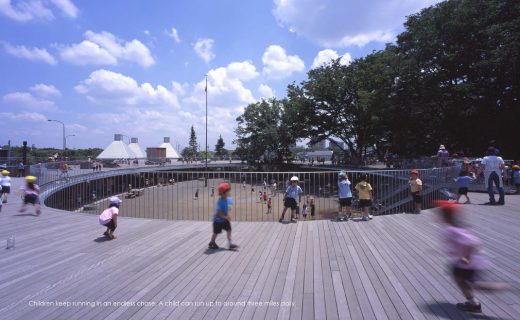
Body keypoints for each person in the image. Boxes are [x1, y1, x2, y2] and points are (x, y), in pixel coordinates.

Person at [434, 201, 509, 313]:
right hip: (468, 262)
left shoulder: (451, 230)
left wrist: (466, 257)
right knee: (464, 281)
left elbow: (473, 243)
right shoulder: (455, 226)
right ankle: (474, 303)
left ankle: (476, 303)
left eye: (440, 214)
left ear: (445, 216)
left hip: (468, 263)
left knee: (472, 284)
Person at [208, 181, 238, 250]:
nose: (229, 192)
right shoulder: (220, 201)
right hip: (217, 221)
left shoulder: (229, 199)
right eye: (228, 191)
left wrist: (229, 214)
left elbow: (229, 208)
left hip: (225, 219)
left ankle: (230, 244)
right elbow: (219, 212)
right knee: (216, 232)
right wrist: (226, 216)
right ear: (223, 193)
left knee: (229, 230)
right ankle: (212, 241)